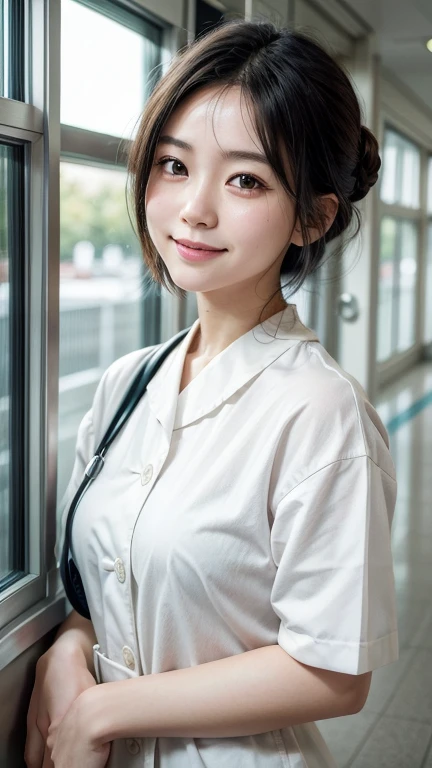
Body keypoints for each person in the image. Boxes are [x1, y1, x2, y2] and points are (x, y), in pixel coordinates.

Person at [25, 17, 399, 768]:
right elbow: (108, 578)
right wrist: (66, 646)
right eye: (172, 164)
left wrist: (104, 707)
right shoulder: (127, 381)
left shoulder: (320, 413)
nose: (194, 208)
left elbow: (333, 670)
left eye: (245, 179)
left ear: (312, 216)